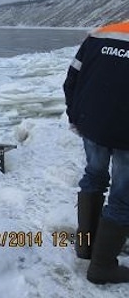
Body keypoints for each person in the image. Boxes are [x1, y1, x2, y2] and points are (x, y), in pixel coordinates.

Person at [63, 21, 129, 284]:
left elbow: (72, 78)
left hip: (92, 123)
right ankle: (102, 266)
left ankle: (86, 245)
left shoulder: (101, 34)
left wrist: (76, 115)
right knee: (122, 199)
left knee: (93, 177)